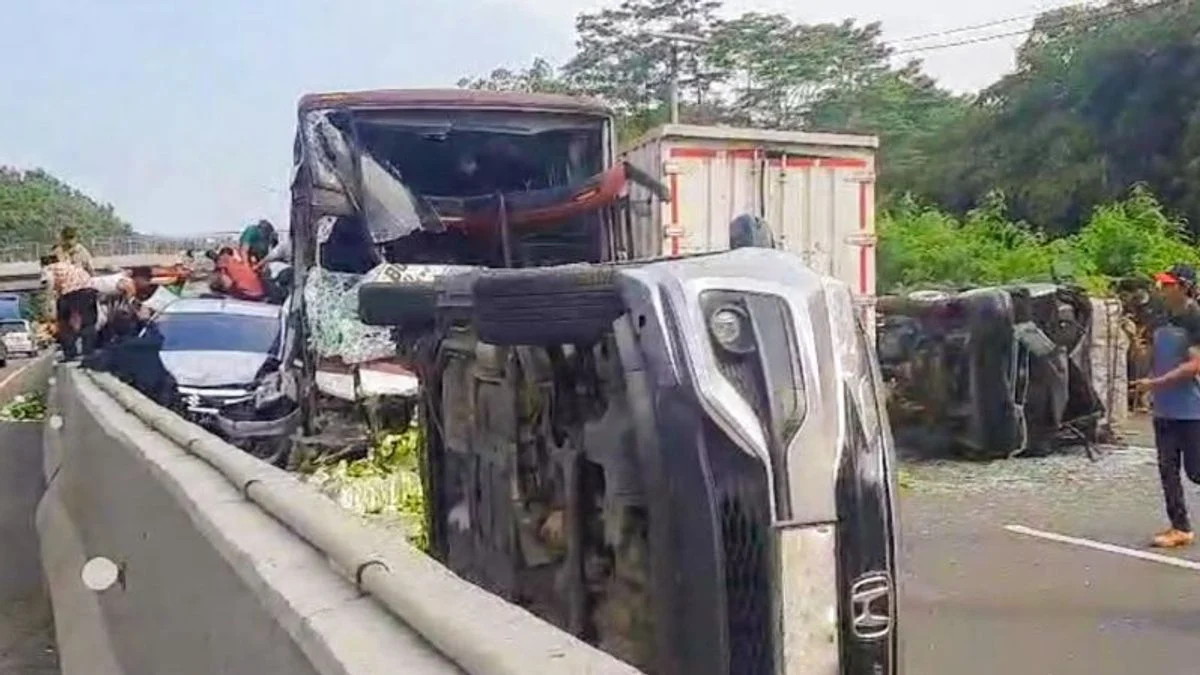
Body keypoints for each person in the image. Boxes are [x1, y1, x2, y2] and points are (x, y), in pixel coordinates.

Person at [1133, 263, 1200, 548]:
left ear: (1183, 287)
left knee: (1196, 472)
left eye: (1169, 284)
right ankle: (1180, 527)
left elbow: (1195, 365)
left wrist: (1156, 384)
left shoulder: (1194, 319)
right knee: (1167, 470)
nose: (1162, 289)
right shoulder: (1160, 317)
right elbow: (1153, 352)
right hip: (1164, 410)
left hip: (1191, 410)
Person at [45, 253, 98, 360]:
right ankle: (88, 352)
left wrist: (50, 306)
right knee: (88, 323)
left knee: (64, 324)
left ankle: (70, 353)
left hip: (70, 294)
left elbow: (50, 285)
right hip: (89, 292)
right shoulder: (71, 266)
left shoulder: (49, 269)